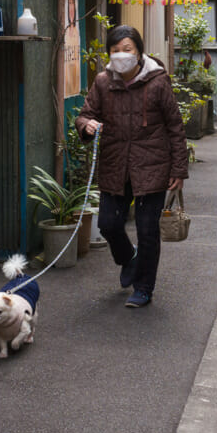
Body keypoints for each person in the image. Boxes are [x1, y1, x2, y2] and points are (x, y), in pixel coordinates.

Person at [75, 25, 188, 308]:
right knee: (108, 224)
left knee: (148, 229)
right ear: (109, 54)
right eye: (115, 51)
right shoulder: (103, 82)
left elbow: (175, 126)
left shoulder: (158, 82)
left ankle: (144, 287)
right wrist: (87, 125)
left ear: (138, 51)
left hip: (152, 165)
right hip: (115, 164)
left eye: (127, 49)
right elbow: (85, 115)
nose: (121, 55)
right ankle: (128, 257)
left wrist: (178, 169)